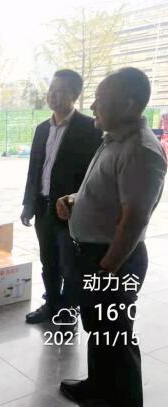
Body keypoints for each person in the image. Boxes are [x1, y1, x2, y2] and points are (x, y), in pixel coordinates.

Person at [57, 67, 167, 406]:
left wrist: (106, 269)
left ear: (129, 104)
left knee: (116, 338)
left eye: (100, 99)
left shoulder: (141, 151)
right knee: (100, 330)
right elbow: (108, 192)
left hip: (113, 261)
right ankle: (99, 388)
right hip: (97, 257)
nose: (92, 105)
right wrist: (74, 199)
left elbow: (133, 220)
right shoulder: (115, 139)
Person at [21, 70, 102, 329]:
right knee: (48, 262)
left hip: (71, 211)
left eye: (60, 91)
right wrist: (28, 204)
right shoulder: (42, 129)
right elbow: (34, 170)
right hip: (43, 208)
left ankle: (68, 310)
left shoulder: (89, 128)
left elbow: (93, 175)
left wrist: (78, 203)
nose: (53, 96)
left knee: (70, 265)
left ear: (74, 95)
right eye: (51, 90)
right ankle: (52, 303)